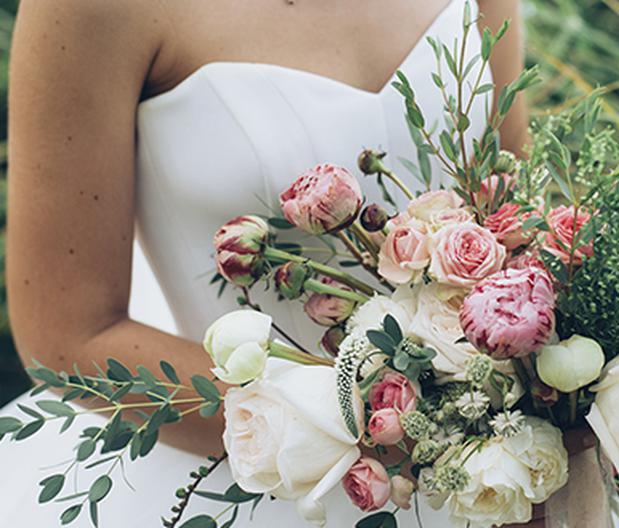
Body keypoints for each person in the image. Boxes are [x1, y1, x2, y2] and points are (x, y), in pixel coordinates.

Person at [1, 0, 540, 525]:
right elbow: (71, 333)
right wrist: (402, 437)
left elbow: (516, 207)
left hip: (504, 477)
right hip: (261, 481)